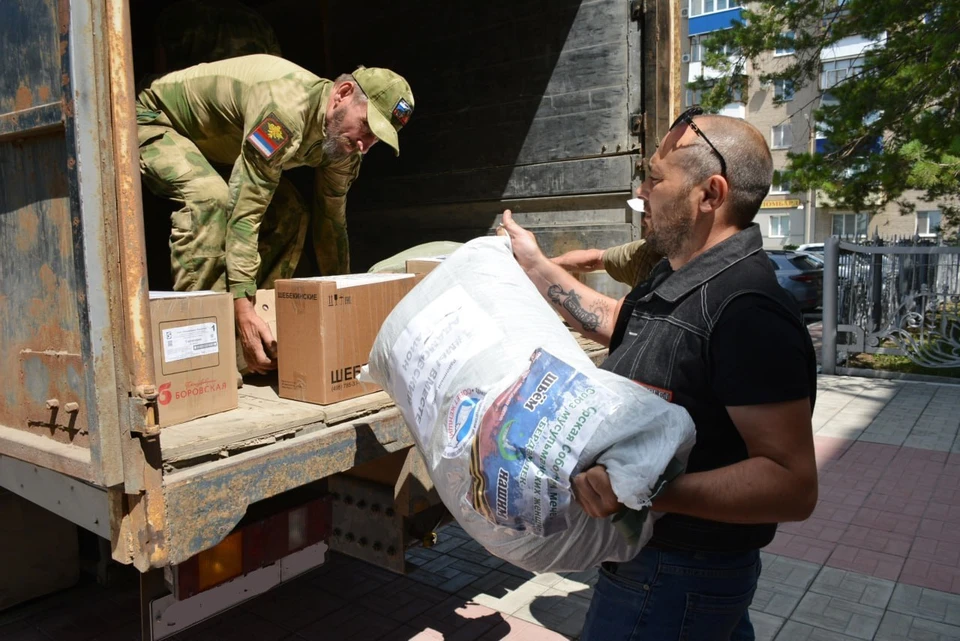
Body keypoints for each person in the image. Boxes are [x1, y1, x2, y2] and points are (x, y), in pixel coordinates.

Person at [498, 107, 818, 640]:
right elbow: (619, 322)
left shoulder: (747, 311)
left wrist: (642, 490)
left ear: (709, 195)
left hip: (679, 575)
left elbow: (791, 485)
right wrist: (534, 264)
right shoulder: (674, 275)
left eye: (653, 177)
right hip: (657, 566)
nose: (641, 192)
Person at [137, 55, 414, 373]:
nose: (365, 144)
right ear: (342, 93)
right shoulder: (282, 110)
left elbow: (331, 222)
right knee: (209, 198)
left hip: (221, 148)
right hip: (154, 118)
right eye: (366, 125)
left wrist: (342, 302)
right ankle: (202, 356)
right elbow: (246, 209)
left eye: (376, 138)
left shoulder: (348, 147)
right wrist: (241, 299)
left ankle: (256, 334)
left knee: (291, 213)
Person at [551, 200, 663, 288]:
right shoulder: (643, 252)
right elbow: (596, 259)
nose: (643, 222)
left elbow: (612, 311)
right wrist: (549, 264)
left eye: (649, 215)